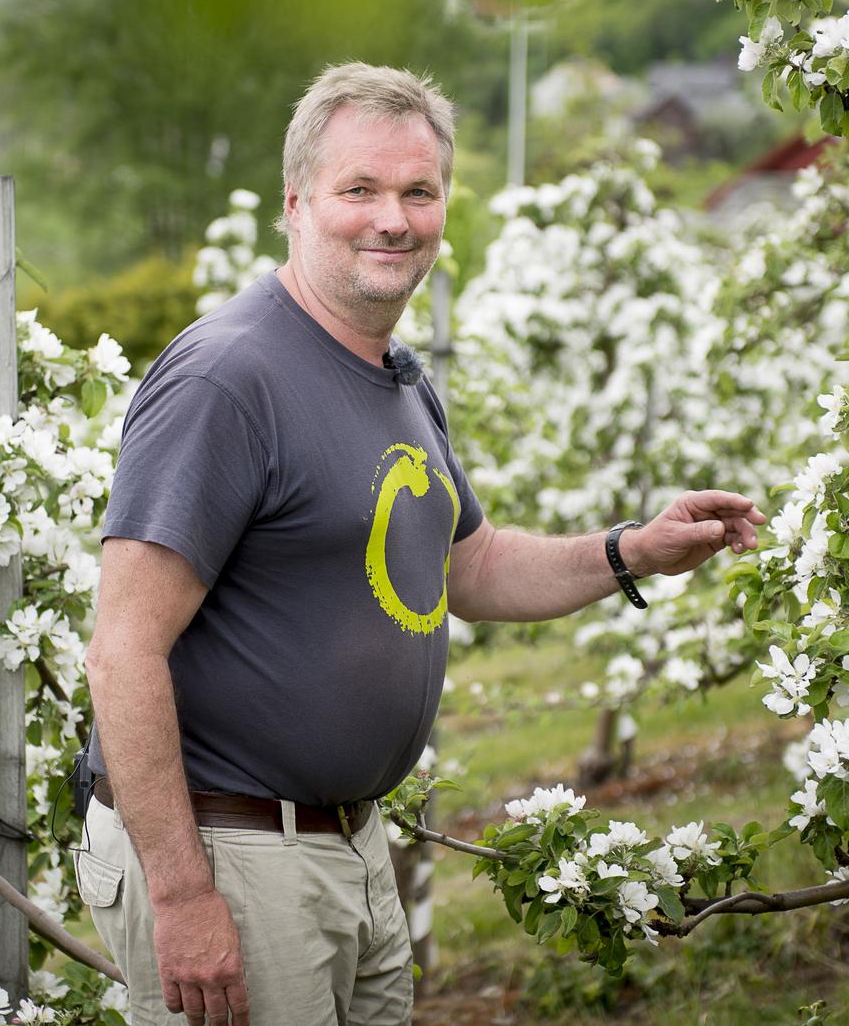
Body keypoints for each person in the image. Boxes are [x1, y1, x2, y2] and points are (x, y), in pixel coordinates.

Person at [80, 62, 766, 1026]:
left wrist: (631, 552)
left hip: (353, 851)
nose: (392, 219)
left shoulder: (395, 377)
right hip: (234, 854)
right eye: (358, 190)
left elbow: (465, 566)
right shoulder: (229, 379)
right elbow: (122, 651)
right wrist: (184, 896)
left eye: (418, 191)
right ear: (295, 202)